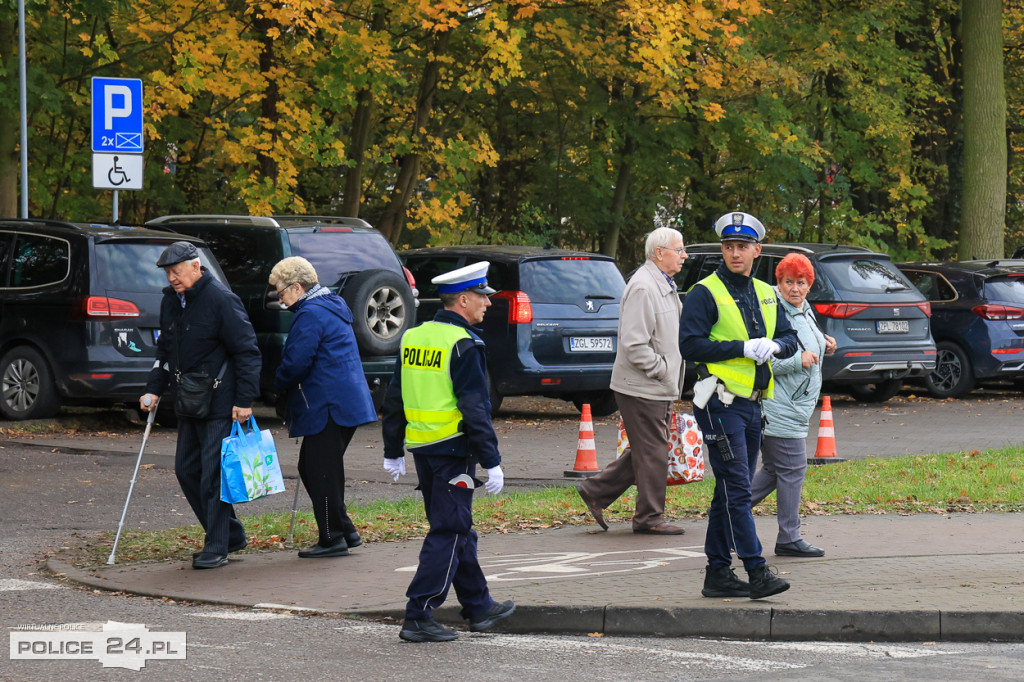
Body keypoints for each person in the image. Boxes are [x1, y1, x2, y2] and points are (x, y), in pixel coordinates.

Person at [381, 261, 515, 643]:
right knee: (449, 530)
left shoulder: (414, 337)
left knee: (459, 530)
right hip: (454, 452)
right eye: (482, 298)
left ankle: (479, 606)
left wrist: (393, 449)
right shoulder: (464, 344)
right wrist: (492, 460)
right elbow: (475, 407)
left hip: (425, 448)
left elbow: (395, 398)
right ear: (463, 299)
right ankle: (419, 614)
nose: (487, 304)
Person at [678, 212, 799, 599]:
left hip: (752, 405)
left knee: (730, 491)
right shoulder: (704, 292)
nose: (735, 253)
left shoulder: (766, 292)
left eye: (743, 247)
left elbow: (790, 337)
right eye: (729, 247)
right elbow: (689, 345)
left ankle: (717, 573)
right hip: (718, 401)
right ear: (722, 250)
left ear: (756, 250)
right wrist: (742, 348)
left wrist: (778, 346)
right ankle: (756, 570)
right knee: (737, 489)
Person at [140, 241, 261, 570]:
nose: (172, 278)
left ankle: (218, 545)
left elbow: (247, 351)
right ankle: (231, 533)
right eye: (167, 273)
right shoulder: (171, 302)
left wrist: (245, 401)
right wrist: (153, 390)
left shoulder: (221, 299)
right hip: (188, 400)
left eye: (176, 271)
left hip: (220, 402)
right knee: (186, 470)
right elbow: (165, 349)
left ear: (196, 267)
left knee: (213, 476)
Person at [577, 227, 687, 534]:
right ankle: (649, 518)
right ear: (658, 253)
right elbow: (634, 344)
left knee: (648, 447)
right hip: (642, 385)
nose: (684, 256)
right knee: (653, 449)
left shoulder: (661, 282)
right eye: (678, 250)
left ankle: (595, 491)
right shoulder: (643, 287)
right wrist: (662, 369)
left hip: (655, 385)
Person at [270, 257, 378, 559]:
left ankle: (333, 537)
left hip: (327, 404)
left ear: (297, 287)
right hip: (343, 402)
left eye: (282, 293)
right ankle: (344, 531)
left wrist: (275, 383)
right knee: (323, 470)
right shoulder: (331, 306)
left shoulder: (311, 314)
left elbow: (296, 363)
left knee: (318, 470)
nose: (281, 301)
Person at [751, 253, 836, 558]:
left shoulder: (803, 309)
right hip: (779, 407)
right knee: (794, 468)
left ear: (809, 285)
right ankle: (789, 537)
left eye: (801, 282)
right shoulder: (773, 312)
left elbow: (804, 337)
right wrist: (796, 360)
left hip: (795, 406)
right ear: (779, 282)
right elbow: (763, 360)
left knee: (776, 470)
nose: (795, 288)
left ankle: (726, 515)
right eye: (789, 282)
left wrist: (822, 341)